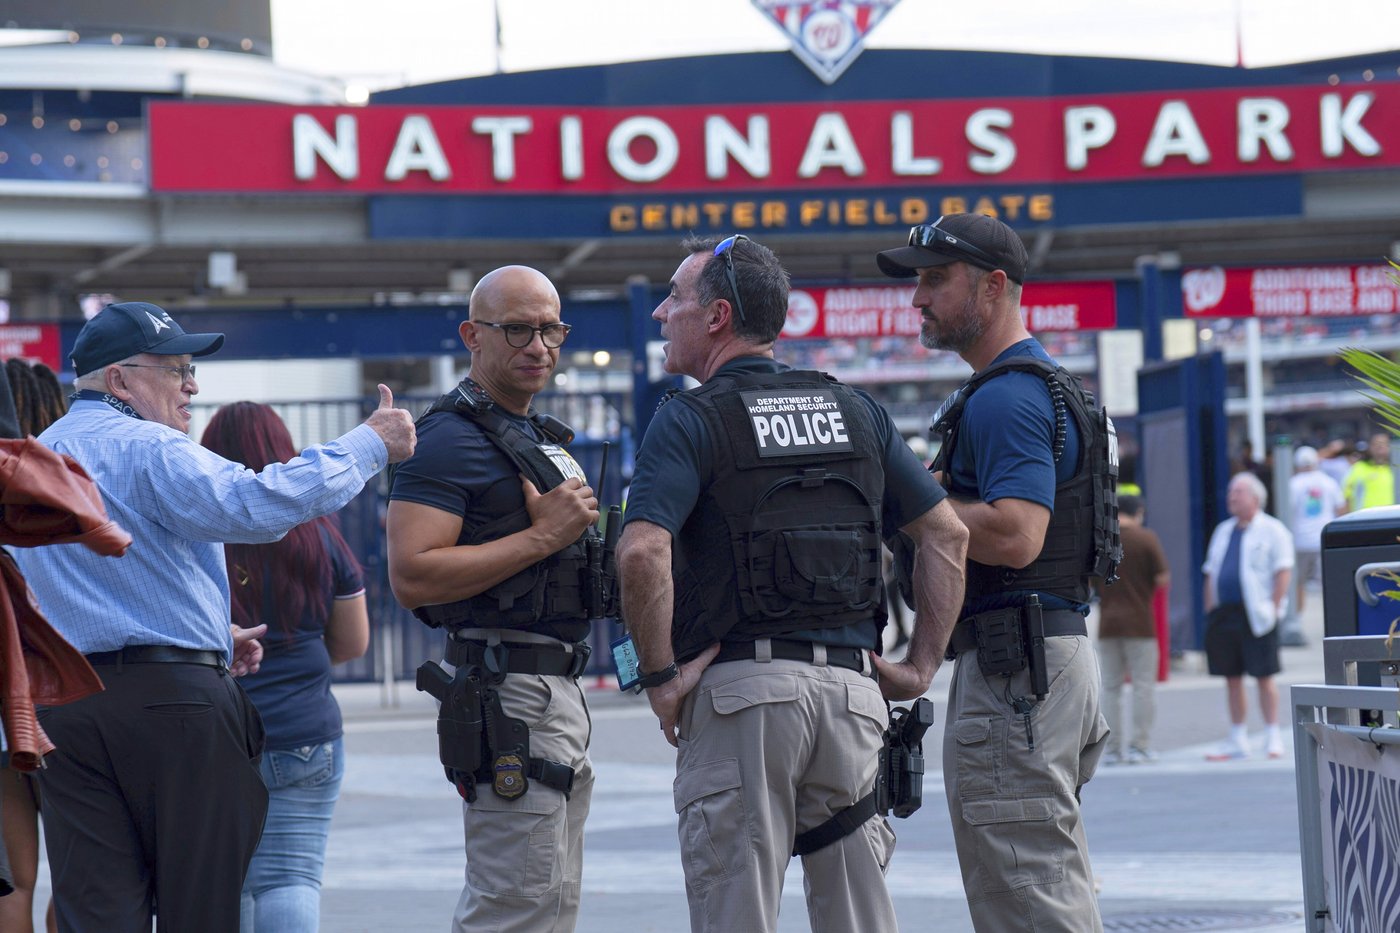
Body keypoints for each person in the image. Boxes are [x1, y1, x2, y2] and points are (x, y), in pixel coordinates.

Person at [10, 301, 415, 933]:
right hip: (175, 708)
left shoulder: (33, 460)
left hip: (67, 710)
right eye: (176, 369)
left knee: (96, 906)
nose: (192, 385)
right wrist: (368, 446)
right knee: (201, 903)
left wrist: (206, 633)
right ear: (119, 379)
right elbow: (257, 503)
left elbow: (41, 593)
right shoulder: (152, 448)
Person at [616, 234, 968, 933]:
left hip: (742, 698)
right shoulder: (857, 411)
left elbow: (641, 550)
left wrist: (658, 677)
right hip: (854, 694)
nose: (661, 312)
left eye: (676, 298)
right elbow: (946, 534)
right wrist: (921, 665)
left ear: (717, 316)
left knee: (736, 910)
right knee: (861, 915)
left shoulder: (690, 419)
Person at [875, 213, 1119, 932]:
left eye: (933, 280)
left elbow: (1016, 532)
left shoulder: (1009, 394)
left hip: (1019, 673)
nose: (917, 299)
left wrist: (916, 503)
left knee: (1027, 894)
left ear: (994, 285)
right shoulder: (1031, 384)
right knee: (1042, 877)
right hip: (1044, 659)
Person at [386, 266, 598, 933]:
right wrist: (542, 538)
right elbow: (412, 575)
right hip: (509, 695)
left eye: (551, 329)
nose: (538, 346)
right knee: (514, 906)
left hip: (553, 690)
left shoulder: (531, 435)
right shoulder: (445, 441)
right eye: (517, 329)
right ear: (472, 336)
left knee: (548, 904)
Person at [200, 402, 370, 933]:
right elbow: (353, 641)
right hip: (305, 732)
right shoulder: (319, 535)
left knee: (231, 885)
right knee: (290, 877)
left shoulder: (198, 534)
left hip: (216, 735)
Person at [0, 359, 64, 933]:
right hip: (63, 702)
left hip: (4, 715)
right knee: (80, 875)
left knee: (11, 883)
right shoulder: (64, 495)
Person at [1202, 472, 1294, 761]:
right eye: (1230, 492)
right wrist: (1210, 606)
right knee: (1231, 676)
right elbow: (1211, 571)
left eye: (1238, 492)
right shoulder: (1224, 530)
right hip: (1225, 614)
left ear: (1255, 497)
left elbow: (1283, 571)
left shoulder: (1273, 530)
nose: (1232, 497)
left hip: (1257, 613)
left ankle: (1272, 734)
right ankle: (1237, 736)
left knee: (1264, 675)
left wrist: (1273, 608)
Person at [1093, 494, 1169, 765]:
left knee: (1111, 688)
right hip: (1140, 622)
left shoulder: (1104, 539)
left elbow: (1092, 580)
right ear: (1138, 511)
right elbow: (1162, 577)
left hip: (1108, 623)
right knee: (1142, 686)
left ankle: (1113, 749)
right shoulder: (1146, 539)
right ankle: (1140, 745)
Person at [1287, 445, 1346, 614]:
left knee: (1298, 583)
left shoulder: (1293, 483)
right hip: (1324, 540)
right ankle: (1333, 617)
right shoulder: (1328, 482)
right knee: (1329, 584)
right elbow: (1341, 509)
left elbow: (1287, 511)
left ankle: (1297, 617)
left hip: (1300, 541)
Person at [1342, 431, 1394, 512]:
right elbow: (1347, 498)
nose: (1380, 446)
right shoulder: (1359, 468)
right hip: (1366, 519)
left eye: (1384, 444)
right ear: (1370, 447)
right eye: (1376, 444)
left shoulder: (1396, 470)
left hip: (1394, 518)